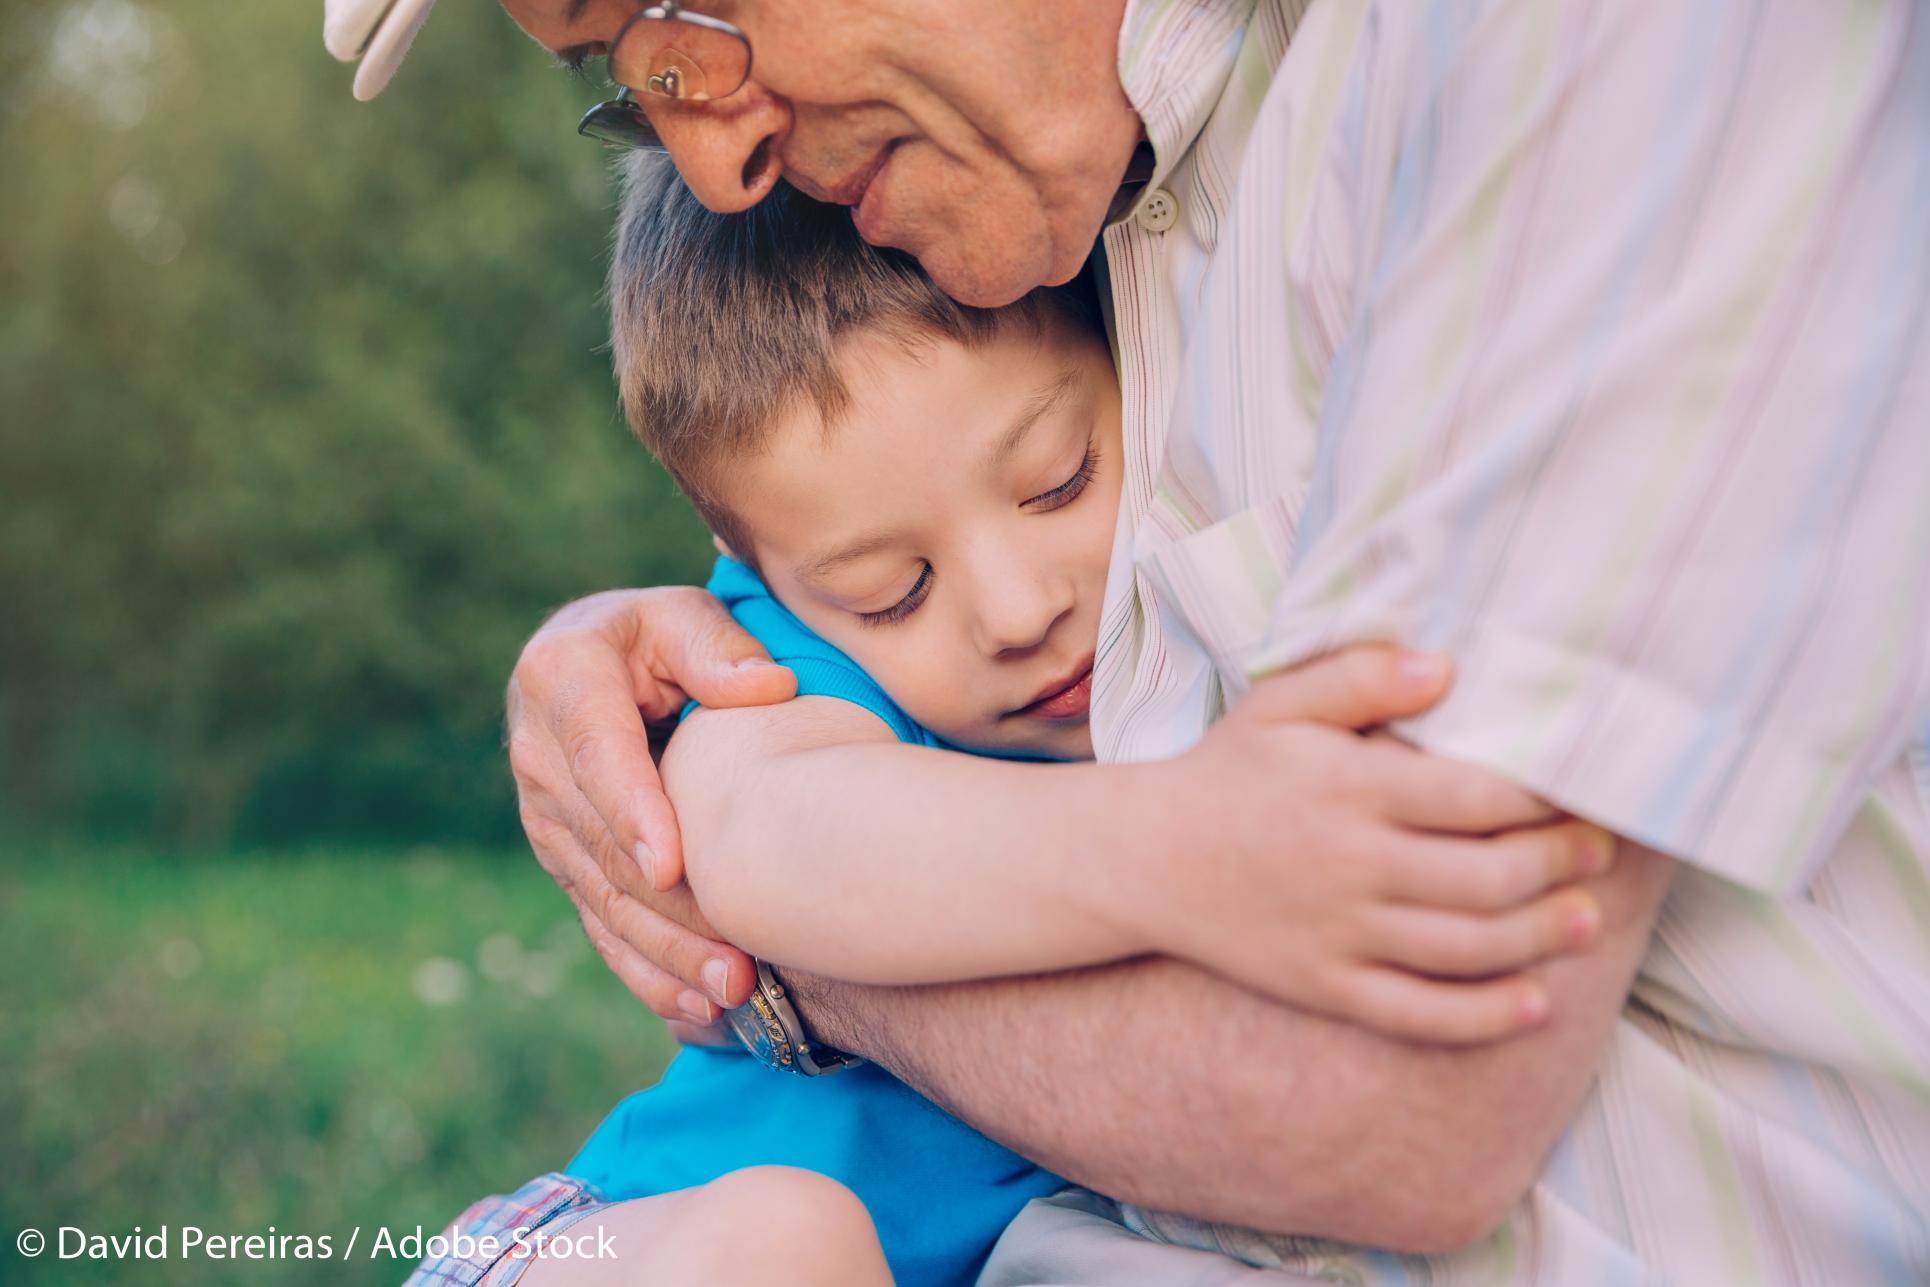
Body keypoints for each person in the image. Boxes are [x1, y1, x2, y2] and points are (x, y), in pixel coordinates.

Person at [330, 0, 1930, 1280]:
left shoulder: (1541, 70)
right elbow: (746, 807)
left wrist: (789, 963)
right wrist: (1181, 841)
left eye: (688, 26)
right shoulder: (1062, 185)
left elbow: (1394, 1105)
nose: (714, 153)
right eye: (627, 80)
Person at [408, 157, 1606, 1287]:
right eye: (894, 591)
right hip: (598, 1246)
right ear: (751, 564)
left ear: (1137, 358)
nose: (1020, 609)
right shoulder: (779, 669)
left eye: (1057, 482)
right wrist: (1192, 838)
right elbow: (775, 835)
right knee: (785, 1242)